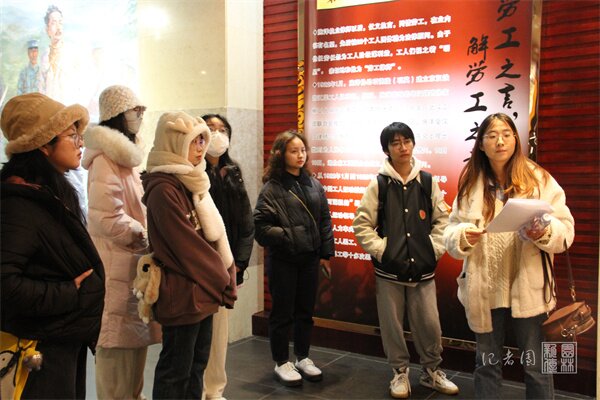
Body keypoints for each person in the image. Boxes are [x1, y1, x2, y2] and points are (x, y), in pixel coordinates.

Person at [443, 113, 575, 399]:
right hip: (485, 289)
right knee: (487, 364)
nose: (500, 141)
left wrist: (544, 231)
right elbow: (450, 230)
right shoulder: (471, 184)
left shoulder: (539, 179)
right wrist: (463, 235)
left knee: (537, 367)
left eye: (506, 134)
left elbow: (566, 231)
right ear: (481, 144)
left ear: (516, 139)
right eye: (491, 136)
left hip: (529, 288)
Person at [0, 93, 105, 398]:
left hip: (60, 342)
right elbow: (5, 284)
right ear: (44, 144)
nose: (80, 143)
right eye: (72, 136)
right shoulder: (18, 203)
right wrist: (69, 293)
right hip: (36, 351)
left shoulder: (48, 193)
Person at [352, 122, 459, 399]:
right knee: (392, 325)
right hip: (389, 271)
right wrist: (383, 251)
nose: (403, 147)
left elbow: (443, 221)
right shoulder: (379, 184)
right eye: (396, 143)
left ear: (413, 144)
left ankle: (431, 371)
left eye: (407, 141)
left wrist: (432, 249)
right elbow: (362, 225)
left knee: (429, 324)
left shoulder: (427, 181)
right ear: (386, 149)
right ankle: (399, 372)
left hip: (423, 270)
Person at [141, 111, 237, 399]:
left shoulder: (192, 181)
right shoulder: (163, 188)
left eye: (202, 141)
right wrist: (223, 277)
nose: (201, 148)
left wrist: (222, 275)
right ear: (175, 143)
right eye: (194, 141)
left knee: (196, 365)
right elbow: (187, 247)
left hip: (202, 288)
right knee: (176, 370)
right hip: (182, 291)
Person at [82, 85, 161, 399]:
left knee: (133, 356)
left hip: (132, 264)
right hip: (117, 264)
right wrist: (143, 233)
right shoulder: (105, 159)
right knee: (116, 357)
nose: (139, 116)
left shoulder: (127, 158)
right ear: (116, 114)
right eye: (134, 110)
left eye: (141, 110)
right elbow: (105, 217)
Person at [253, 130, 334, 387]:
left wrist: (325, 254)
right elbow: (260, 227)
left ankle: (302, 357)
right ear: (281, 154)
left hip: (309, 258)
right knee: (282, 313)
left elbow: (325, 220)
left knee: (305, 312)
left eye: (303, 150)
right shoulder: (272, 188)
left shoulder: (313, 184)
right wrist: (288, 236)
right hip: (283, 260)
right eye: (294, 151)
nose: (300, 155)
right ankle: (281, 361)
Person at [202, 113, 254, 400]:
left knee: (220, 333)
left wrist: (240, 263)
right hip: (201, 265)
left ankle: (214, 390)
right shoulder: (193, 172)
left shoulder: (232, 172)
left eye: (223, 130)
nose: (217, 134)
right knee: (200, 335)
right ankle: (199, 390)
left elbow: (246, 222)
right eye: (211, 129)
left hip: (229, 265)